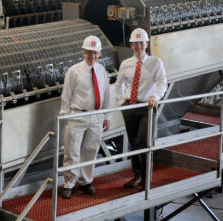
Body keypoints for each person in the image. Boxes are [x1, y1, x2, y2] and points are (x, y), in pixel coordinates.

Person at [60, 35, 112, 199]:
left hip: (96, 116)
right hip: (78, 116)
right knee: (72, 151)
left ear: (99, 54)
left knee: (91, 150)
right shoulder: (74, 71)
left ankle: (86, 181)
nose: (93, 56)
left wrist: (107, 116)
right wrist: (64, 116)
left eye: (96, 53)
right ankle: (68, 184)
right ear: (83, 52)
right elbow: (66, 96)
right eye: (89, 53)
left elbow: (106, 94)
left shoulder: (101, 70)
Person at [115, 28, 167, 188]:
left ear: (146, 44)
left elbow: (162, 83)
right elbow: (119, 85)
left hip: (146, 107)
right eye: (135, 43)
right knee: (133, 142)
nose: (138, 46)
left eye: (141, 43)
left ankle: (146, 180)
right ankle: (137, 176)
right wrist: (120, 102)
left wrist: (155, 97)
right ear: (131, 46)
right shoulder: (126, 64)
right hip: (130, 106)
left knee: (145, 143)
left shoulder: (155, 63)